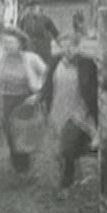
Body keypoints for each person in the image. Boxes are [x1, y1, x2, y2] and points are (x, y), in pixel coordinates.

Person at [39, 32, 99, 196]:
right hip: (58, 109)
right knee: (59, 149)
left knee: (66, 147)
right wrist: (39, 97)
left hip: (79, 111)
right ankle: (74, 175)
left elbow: (99, 84)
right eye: (63, 46)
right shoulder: (55, 62)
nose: (67, 50)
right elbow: (47, 85)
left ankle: (66, 185)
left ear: (78, 46)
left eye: (71, 46)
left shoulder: (87, 63)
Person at [0, 26, 47, 175]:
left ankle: (24, 168)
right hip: (6, 100)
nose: (7, 45)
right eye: (4, 42)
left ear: (20, 43)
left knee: (23, 135)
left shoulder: (31, 58)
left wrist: (39, 94)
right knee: (10, 135)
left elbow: (47, 75)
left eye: (11, 42)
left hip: (24, 100)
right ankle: (18, 166)